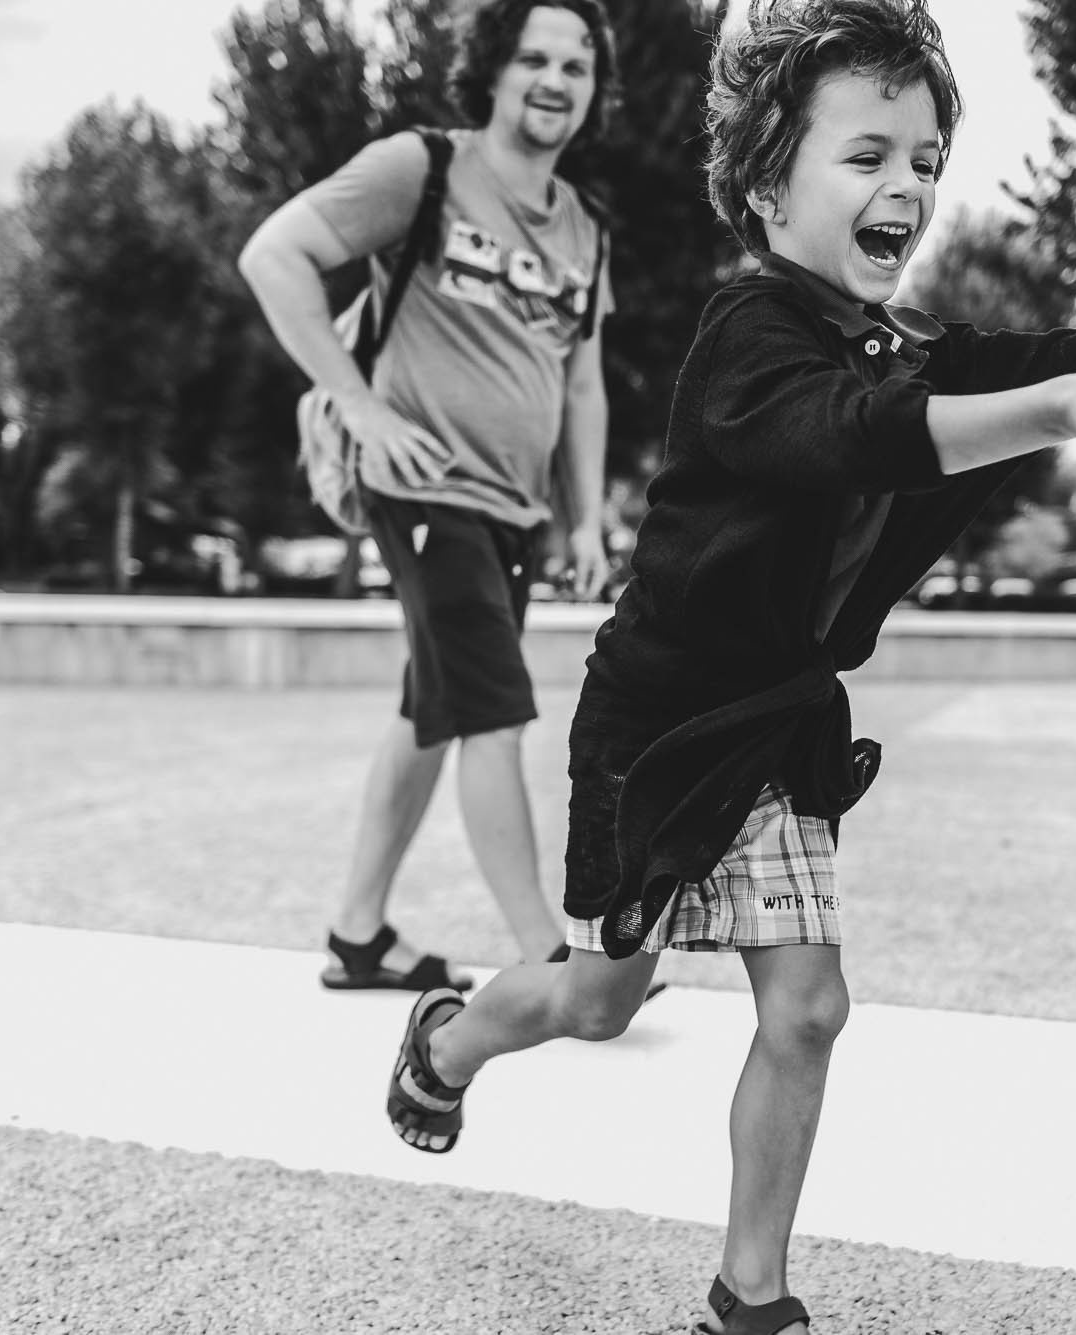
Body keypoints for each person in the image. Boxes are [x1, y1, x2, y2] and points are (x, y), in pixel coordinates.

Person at [383, 1, 1076, 1330]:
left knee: (809, 1005)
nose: (910, 186)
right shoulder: (747, 341)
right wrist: (1052, 415)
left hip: (777, 722)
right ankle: (453, 1035)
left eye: (928, 161)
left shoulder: (914, 345)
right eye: (869, 154)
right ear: (770, 188)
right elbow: (854, 435)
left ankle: (748, 1295)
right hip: (659, 724)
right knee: (600, 998)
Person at [238, 0, 620, 992]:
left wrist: (585, 515)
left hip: (511, 511)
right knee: (492, 711)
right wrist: (358, 408)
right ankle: (550, 958)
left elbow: (582, 380)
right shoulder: (423, 168)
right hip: (420, 489)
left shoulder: (584, 229)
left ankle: (357, 933)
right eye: (533, 57)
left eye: (575, 66)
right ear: (491, 70)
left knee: (434, 711)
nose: (553, 79)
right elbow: (271, 255)